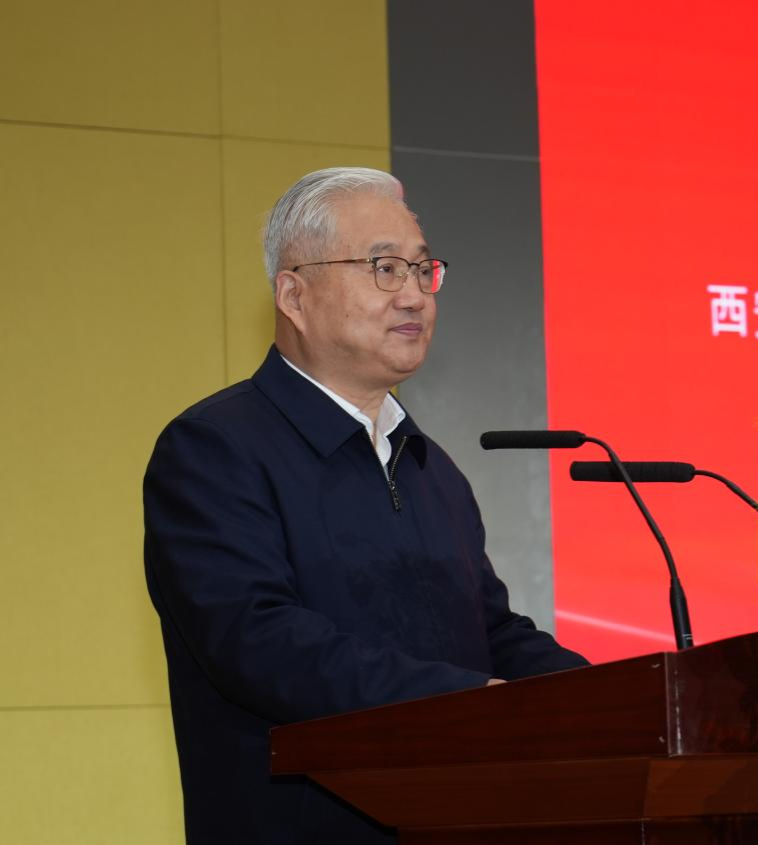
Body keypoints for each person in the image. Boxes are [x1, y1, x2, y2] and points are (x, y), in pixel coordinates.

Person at [143, 167, 588, 844]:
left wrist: (607, 697)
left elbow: (490, 632)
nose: (414, 294)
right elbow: (258, 643)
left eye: (422, 269)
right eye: (384, 268)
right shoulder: (215, 448)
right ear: (294, 294)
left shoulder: (432, 467)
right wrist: (468, 704)